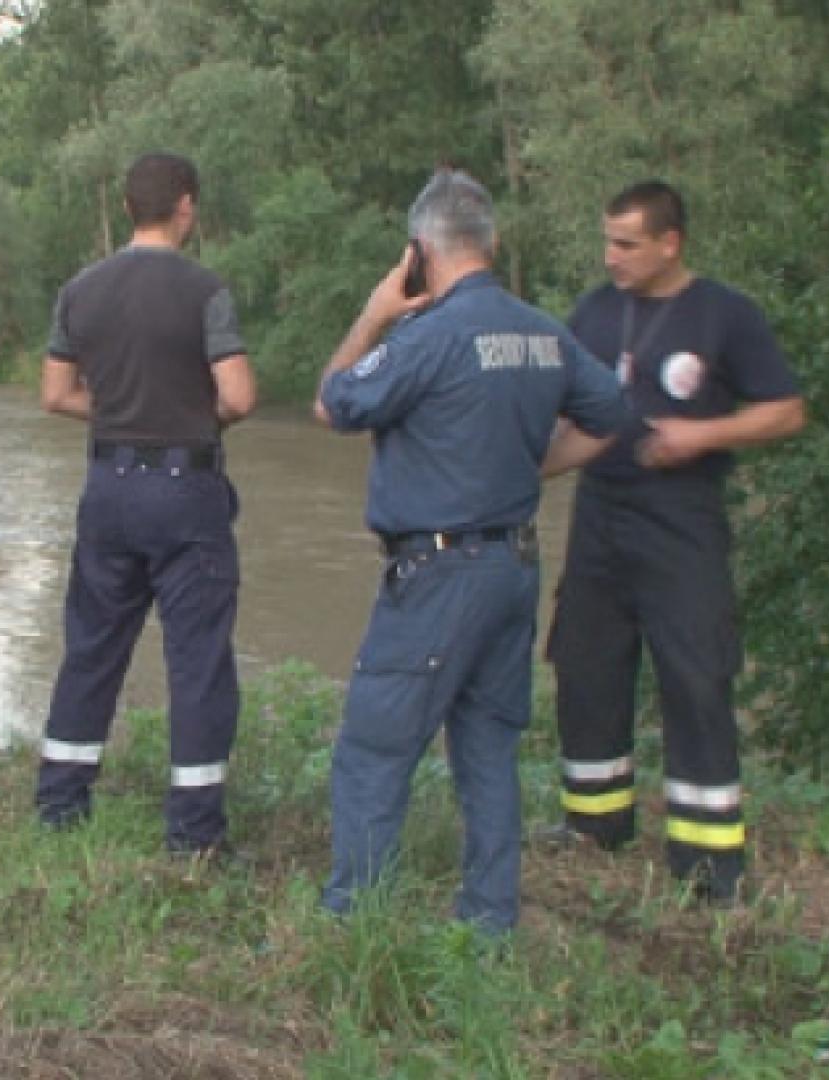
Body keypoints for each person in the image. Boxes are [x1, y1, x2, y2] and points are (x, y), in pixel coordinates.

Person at [316, 170, 629, 932]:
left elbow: (334, 402)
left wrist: (373, 314)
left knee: (374, 749)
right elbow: (612, 416)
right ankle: (489, 926)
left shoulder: (428, 338)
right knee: (487, 753)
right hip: (512, 568)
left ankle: (352, 922)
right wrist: (529, 469)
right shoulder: (542, 332)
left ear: (419, 252)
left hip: (437, 576)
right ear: (489, 242)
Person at [540, 180, 806, 904]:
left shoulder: (725, 315)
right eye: (607, 240)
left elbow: (785, 412)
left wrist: (704, 434)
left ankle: (708, 858)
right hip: (601, 512)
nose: (611, 256)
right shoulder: (593, 313)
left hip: (681, 518)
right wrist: (520, 472)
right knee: (585, 663)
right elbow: (563, 419)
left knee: (695, 675)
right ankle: (594, 825)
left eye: (626, 243)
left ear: (670, 243)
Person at [33, 152, 258, 857]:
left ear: (129, 209)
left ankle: (59, 803)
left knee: (93, 648)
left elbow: (57, 395)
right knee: (196, 661)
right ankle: (193, 833)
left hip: (108, 487)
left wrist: (126, 416)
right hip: (184, 490)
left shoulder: (79, 289)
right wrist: (188, 414)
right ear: (186, 207)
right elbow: (240, 396)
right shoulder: (205, 289)